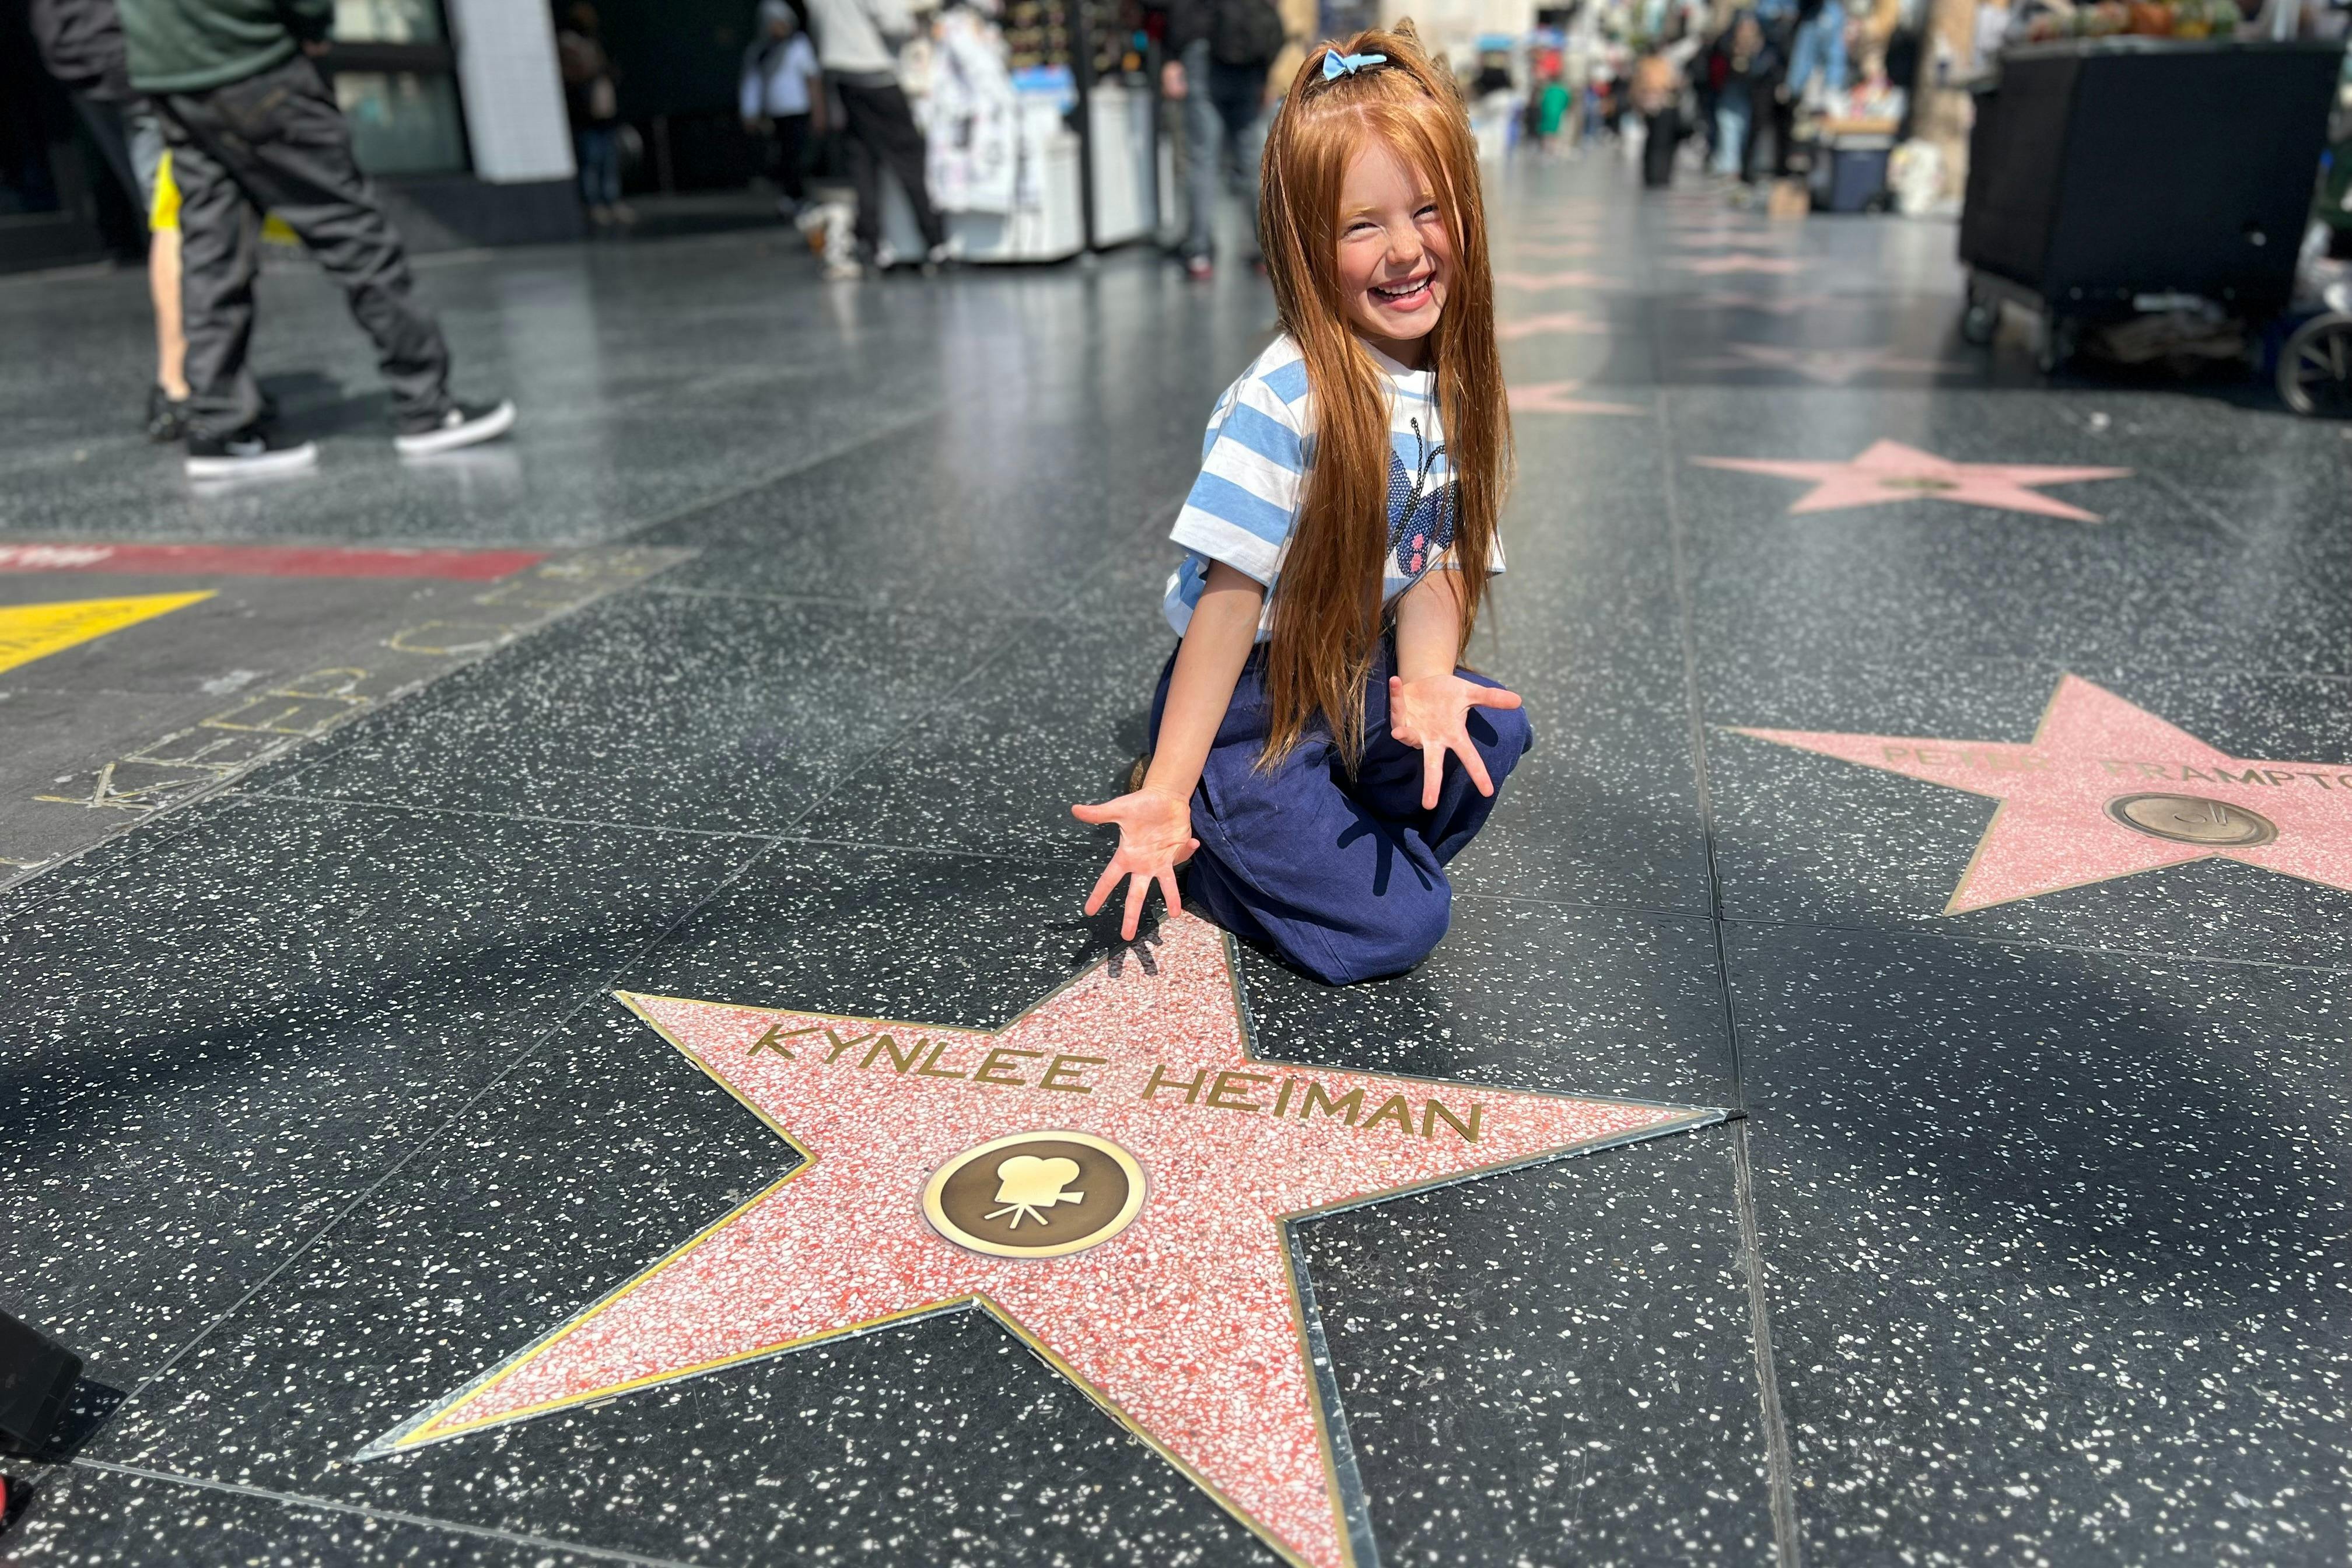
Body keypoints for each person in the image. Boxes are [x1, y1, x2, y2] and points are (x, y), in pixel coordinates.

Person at [1071, 27, 1530, 986]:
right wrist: (1167, 787)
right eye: (1362, 226)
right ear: (1304, 245)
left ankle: (1307, 842)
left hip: (1353, 669)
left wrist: (1426, 680)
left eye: (1428, 210)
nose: (1405, 249)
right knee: (1401, 924)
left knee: (1486, 731)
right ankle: (1214, 840)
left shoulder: (1449, 382)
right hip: (1255, 701)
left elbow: (1439, 554)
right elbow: (1228, 605)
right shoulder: (1284, 403)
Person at [118, 0, 514, 477]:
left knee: (212, 248)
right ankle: (427, 405)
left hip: (168, 72)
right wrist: (313, 22)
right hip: (249, 60)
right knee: (352, 231)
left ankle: (218, 425)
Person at [29, 0, 187, 440]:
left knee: (165, 212)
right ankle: (181, 387)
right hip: (138, 49)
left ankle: (188, 381)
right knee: (179, 215)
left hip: (79, 52)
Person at [802, 0, 950, 276]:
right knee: (908, 158)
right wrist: (912, 24)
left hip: (839, 75)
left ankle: (873, 245)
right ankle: (935, 243)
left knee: (862, 161)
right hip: (875, 72)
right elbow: (894, 22)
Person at [1163, 0, 1286, 279]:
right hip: (1248, 59)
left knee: (1202, 158)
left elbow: (1183, 11)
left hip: (1202, 53)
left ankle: (1200, 252)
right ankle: (1267, 249)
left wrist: (1173, 56)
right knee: (1253, 160)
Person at [741, 0, 822, 215]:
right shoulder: (759, 51)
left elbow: (812, 79)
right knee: (782, 157)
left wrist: (819, 110)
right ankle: (789, 196)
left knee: (798, 156)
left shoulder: (799, 46)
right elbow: (752, 84)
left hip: (799, 111)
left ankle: (801, 197)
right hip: (775, 113)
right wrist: (750, 112)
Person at [557, 4, 629, 226]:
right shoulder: (569, 43)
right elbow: (578, 73)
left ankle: (611, 200)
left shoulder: (593, 42)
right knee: (591, 161)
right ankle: (593, 204)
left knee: (609, 161)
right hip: (585, 116)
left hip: (603, 115)